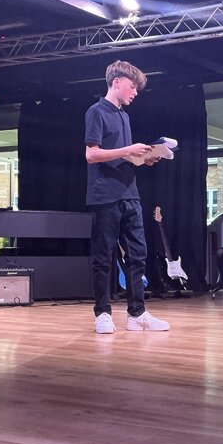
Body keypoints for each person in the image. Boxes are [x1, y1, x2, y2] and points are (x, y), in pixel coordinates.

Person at [84, 60, 169, 334]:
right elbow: (92, 154)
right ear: (117, 81)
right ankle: (102, 313)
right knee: (103, 257)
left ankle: (137, 313)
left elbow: (122, 157)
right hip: (105, 195)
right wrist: (127, 150)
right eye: (132, 87)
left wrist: (143, 158)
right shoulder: (96, 112)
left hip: (130, 193)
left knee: (138, 256)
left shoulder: (124, 116)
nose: (135, 93)